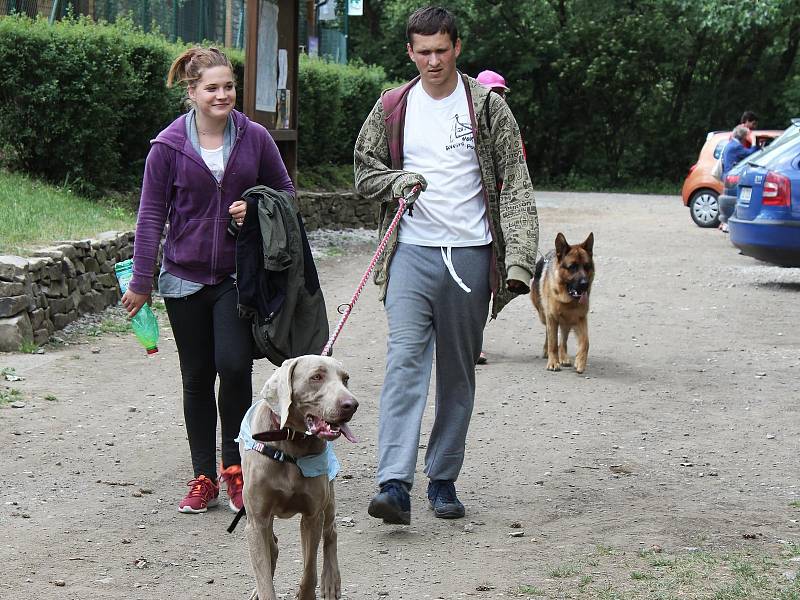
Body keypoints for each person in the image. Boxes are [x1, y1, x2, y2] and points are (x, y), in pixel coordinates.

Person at [354, 6, 538, 524]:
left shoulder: (487, 109)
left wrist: (519, 261)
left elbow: (516, 184)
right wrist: (398, 182)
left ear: (457, 48)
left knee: (457, 373)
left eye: (441, 50)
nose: (432, 60)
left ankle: (443, 479)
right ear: (410, 52)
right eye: (423, 51)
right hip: (411, 251)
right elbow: (365, 171)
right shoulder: (393, 106)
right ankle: (393, 483)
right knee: (403, 364)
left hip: (471, 256)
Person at [121, 47, 295, 514]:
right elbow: (151, 215)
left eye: (228, 86)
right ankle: (203, 477)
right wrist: (141, 282)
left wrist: (255, 208)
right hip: (183, 279)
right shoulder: (168, 147)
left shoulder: (255, 138)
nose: (223, 95)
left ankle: (236, 469)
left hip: (238, 276)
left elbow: (286, 192)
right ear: (192, 92)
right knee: (197, 376)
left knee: (236, 366)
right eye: (212, 88)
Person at [718, 124, 759, 232]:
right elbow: (751, 154)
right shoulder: (737, 147)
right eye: (746, 136)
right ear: (743, 137)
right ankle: (728, 223)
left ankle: (725, 223)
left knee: (729, 199)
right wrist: (754, 142)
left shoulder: (730, 144)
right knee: (736, 201)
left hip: (727, 176)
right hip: (733, 178)